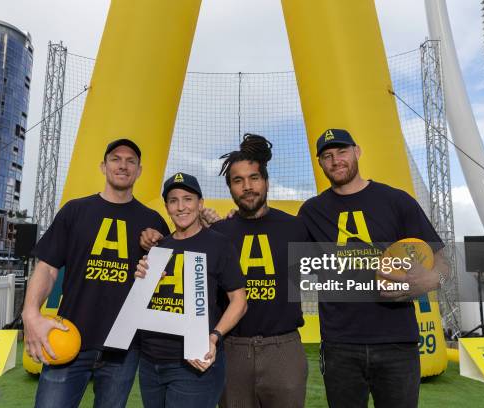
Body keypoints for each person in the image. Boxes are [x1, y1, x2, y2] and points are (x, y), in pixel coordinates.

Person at [140, 135, 309, 407]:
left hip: (284, 348)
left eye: (254, 178)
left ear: (265, 181)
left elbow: (326, 275)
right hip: (231, 347)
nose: (247, 187)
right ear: (229, 187)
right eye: (238, 181)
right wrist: (152, 245)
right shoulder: (218, 232)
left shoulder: (296, 227)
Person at [297, 128, 449, 408]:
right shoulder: (311, 211)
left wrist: (428, 281)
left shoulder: (396, 200)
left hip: (397, 342)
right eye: (327, 156)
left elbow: (441, 260)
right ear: (320, 163)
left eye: (342, 151)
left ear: (357, 152)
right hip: (339, 344)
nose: (335, 160)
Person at [22, 138, 169, 408]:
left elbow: (168, 279)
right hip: (68, 337)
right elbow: (47, 267)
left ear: (139, 171)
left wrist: (159, 248)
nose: (123, 165)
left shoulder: (154, 222)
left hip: (124, 348)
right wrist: (30, 312)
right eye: (115, 158)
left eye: (130, 161)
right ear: (103, 166)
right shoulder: (75, 210)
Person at [135, 172, 247, 408]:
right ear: (167, 207)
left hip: (193, 362)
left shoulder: (218, 243)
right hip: (149, 361)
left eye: (188, 199)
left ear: (200, 204)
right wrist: (141, 281)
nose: (181, 207)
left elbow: (239, 300)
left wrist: (214, 338)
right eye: (173, 200)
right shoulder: (158, 247)